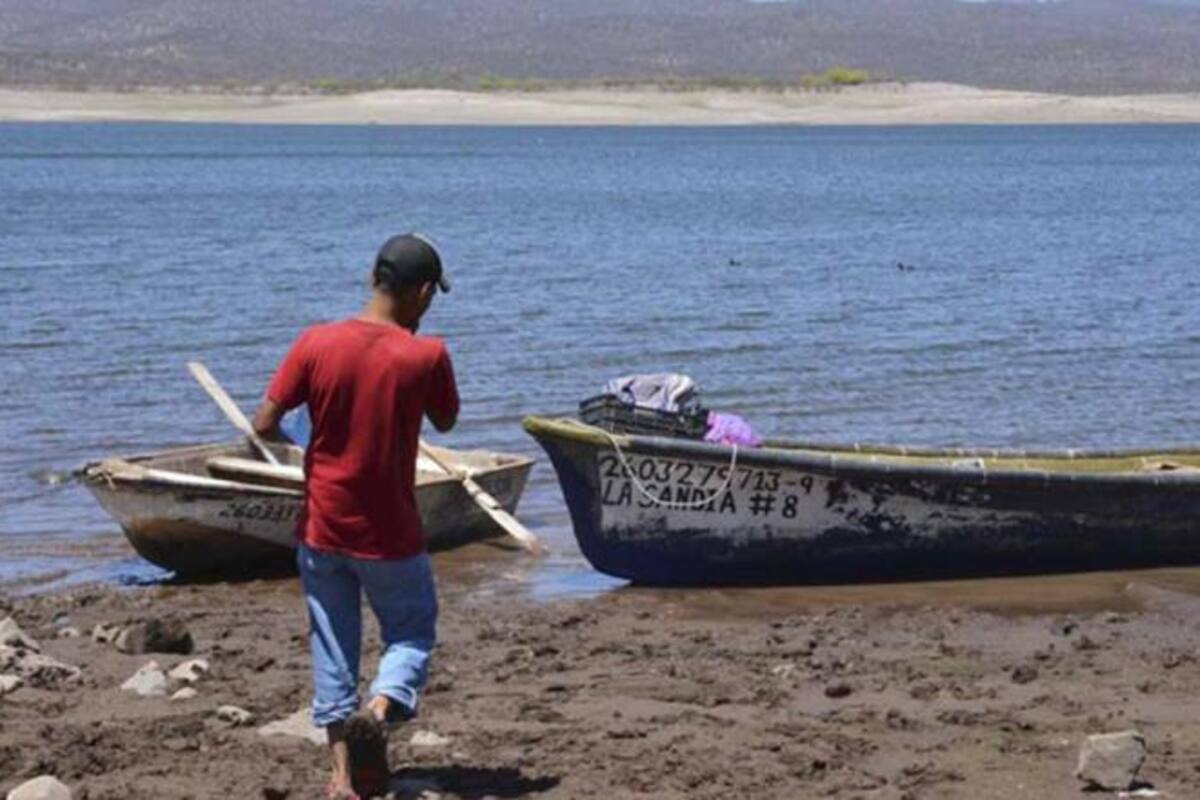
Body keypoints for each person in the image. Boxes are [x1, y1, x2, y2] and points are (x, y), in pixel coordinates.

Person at [252, 233, 459, 799]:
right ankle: (383, 705)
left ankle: (343, 779)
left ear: (374, 278)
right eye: (430, 296)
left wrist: (313, 435)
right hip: (390, 533)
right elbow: (446, 421)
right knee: (412, 633)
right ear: (420, 292)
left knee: (333, 652)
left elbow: (265, 422)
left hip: (323, 527)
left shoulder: (315, 343)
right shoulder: (427, 354)